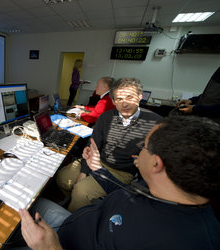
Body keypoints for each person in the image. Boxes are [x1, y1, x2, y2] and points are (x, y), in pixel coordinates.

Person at [19, 116, 220, 250]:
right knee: (23, 203)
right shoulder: (169, 191)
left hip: (59, 245)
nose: (140, 150)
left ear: (156, 164)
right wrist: (98, 170)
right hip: (74, 225)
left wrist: (52, 248)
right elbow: (126, 192)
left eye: (145, 146)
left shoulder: (182, 242)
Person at [56, 77, 161, 212]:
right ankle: (75, 203)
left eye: (130, 97)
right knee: (62, 178)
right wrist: (84, 172)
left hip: (120, 171)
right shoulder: (106, 117)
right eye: (119, 99)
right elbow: (92, 145)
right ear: (113, 101)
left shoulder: (155, 123)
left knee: (81, 191)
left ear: (140, 96)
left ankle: (75, 213)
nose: (124, 104)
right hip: (95, 160)